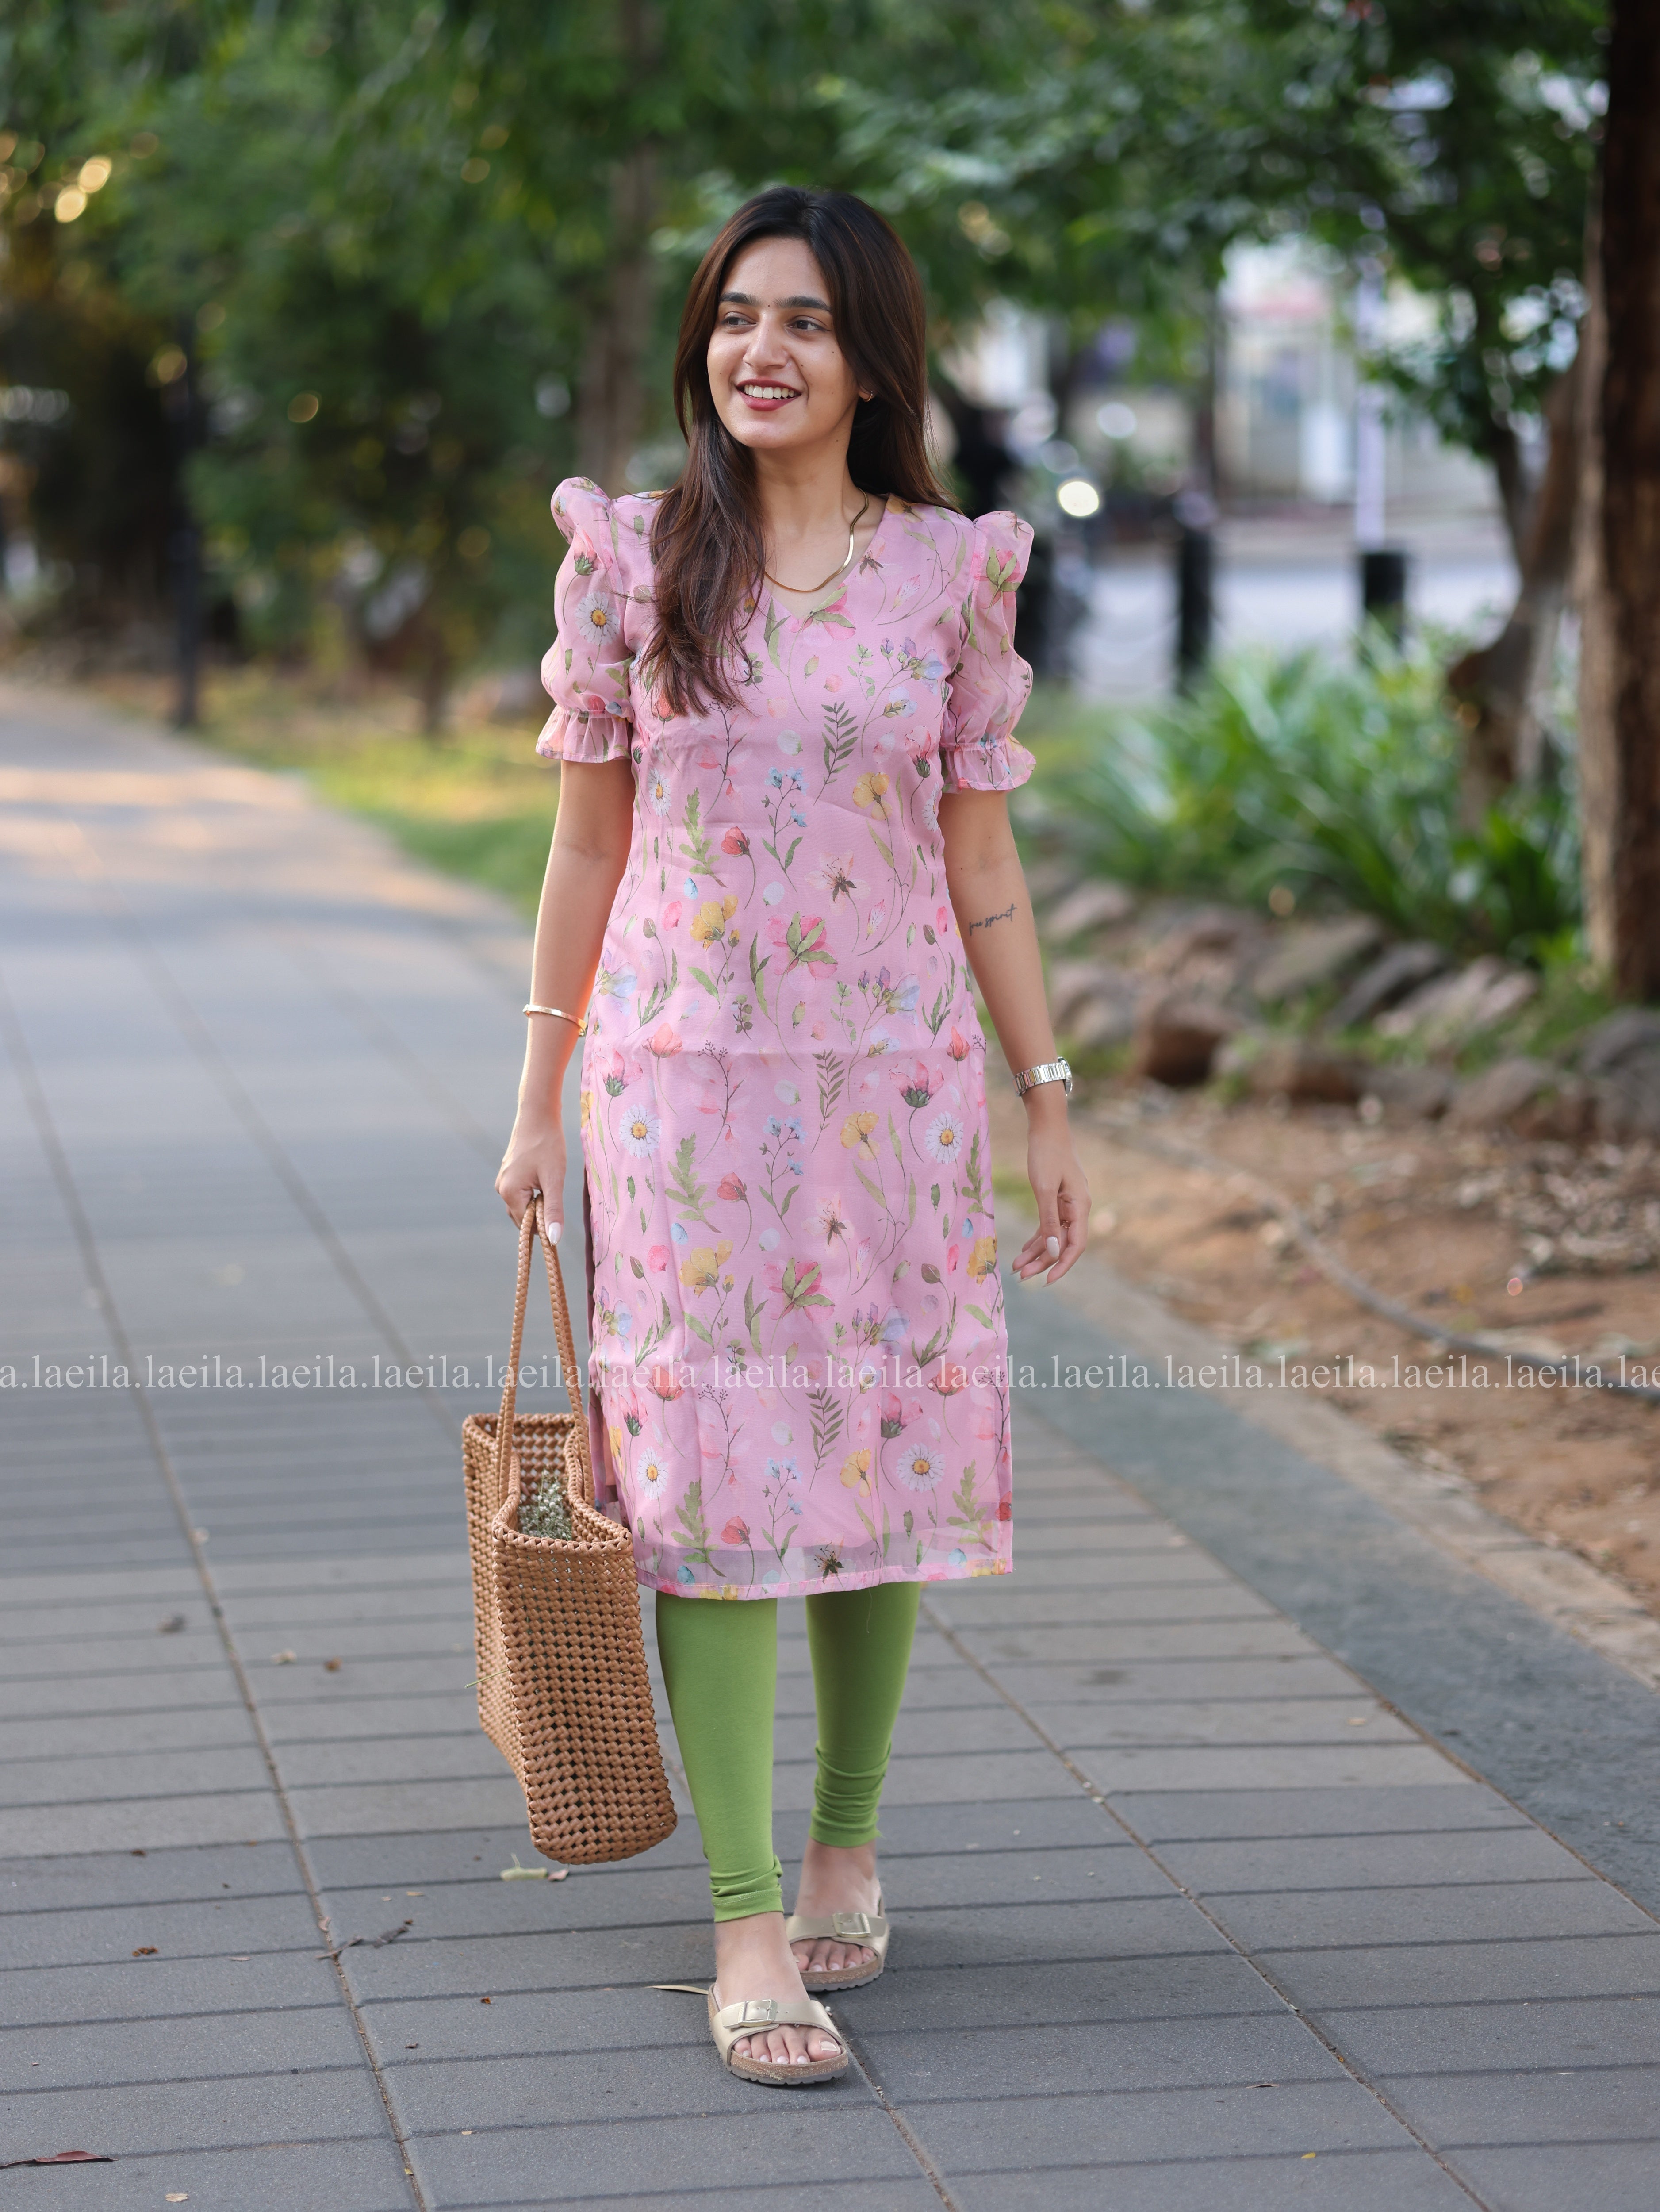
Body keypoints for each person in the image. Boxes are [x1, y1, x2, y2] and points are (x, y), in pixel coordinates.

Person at [497, 185, 1091, 2088]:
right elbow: (585, 845)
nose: (763, 351)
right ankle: (750, 1919)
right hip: (675, 1098)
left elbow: (978, 858)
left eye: (808, 323)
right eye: (738, 316)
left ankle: (849, 1834)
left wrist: (1048, 1093)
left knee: (873, 1444)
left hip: (891, 1093)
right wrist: (534, 1101)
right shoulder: (635, 559)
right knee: (703, 1484)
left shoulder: (946, 576)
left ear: (873, 359)